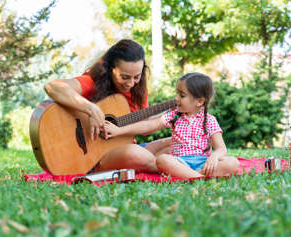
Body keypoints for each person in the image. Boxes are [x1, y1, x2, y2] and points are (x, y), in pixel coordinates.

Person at [44, 39, 170, 173]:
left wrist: (168, 116)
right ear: (110, 69)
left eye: (137, 77)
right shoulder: (93, 82)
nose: (131, 83)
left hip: (125, 149)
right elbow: (53, 87)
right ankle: (168, 167)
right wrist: (91, 109)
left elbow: (145, 127)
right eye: (124, 77)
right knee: (133, 153)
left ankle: (163, 165)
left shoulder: (138, 91)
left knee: (174, 143)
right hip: (96, 158)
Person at [104, 72, 240, 178]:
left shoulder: (209, 120)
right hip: (179, 162)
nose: (176, 99)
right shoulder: (174, 115)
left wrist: (214, 157)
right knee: (162, 160)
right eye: (177, 94)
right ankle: (197, 177)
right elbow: (148, 126)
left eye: (182, 95)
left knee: (233, 162)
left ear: (199, 101)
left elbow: (221, 148)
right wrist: (119, 130)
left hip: (202, 163)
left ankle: (193, 175)